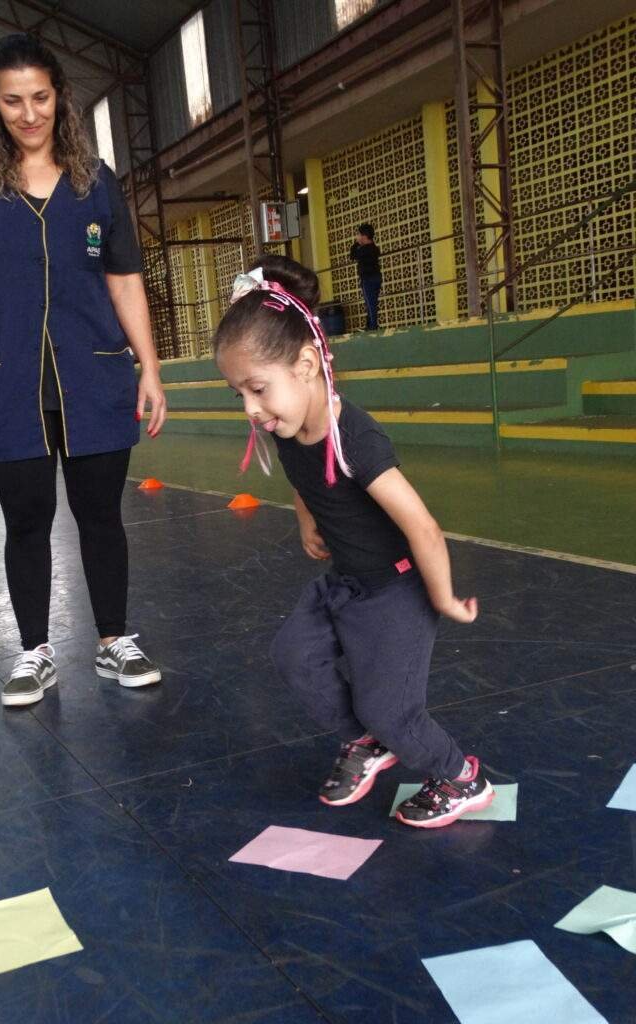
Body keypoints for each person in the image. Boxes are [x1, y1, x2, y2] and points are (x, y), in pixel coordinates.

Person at [213, 255, 494, 828]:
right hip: (345, 583)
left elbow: (422, 526)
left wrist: (441, 597)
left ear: (306, 364)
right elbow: (303, 477)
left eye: (258, 389)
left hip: (397, 591)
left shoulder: (356, 439)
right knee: (294, 655)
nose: (251, 409)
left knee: (390, 707)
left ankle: (460, 777)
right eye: (239, 393)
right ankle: (366, 741)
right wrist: (305, 520)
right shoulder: (289, 425)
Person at [0, 33, 167, 708]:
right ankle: (34, 652)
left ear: (60, 97)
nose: (29, 113)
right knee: (26, 520)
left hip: (94, 377)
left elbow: (124, 281)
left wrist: (150, 367)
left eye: (40, 97)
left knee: (101, 516)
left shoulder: (96, 182)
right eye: (13, 101)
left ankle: (114, 641)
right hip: (5, 380)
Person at [349, 223, 382, 331]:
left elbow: (352, 255)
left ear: (364, 236)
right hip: (376, 277)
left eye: (359, 234)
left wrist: (356, 243)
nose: (357, 237)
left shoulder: (364, 250)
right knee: (372, 303)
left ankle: (373, 327)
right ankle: (370, 325)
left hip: (368, 279)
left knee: (370, 304)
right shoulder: (374, 248)